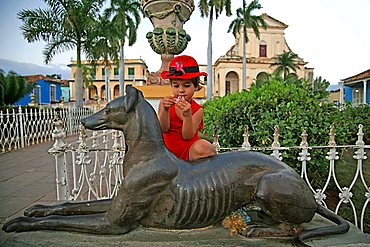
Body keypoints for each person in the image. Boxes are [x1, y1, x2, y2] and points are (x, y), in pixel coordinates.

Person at [158, 55, 217, 161]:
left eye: (186, 85)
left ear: (195, 86)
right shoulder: (165, 104)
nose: (181, 90)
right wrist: (165, 110)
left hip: (189, 150)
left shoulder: (197, 110)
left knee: (205, 147)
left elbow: (187, 136)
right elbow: (163, 129)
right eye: (176, 86)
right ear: (171, 85)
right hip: (167, 150)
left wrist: (187, 115)